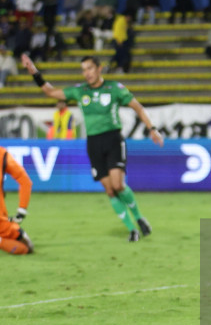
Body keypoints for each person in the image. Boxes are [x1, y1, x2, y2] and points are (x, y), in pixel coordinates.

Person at [21, 54, 163, 241]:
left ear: (99, 68)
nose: (86, 73)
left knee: (118, 185)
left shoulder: (114, 89)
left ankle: (139, 218)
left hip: (113, 139)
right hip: (94, 144)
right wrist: (34, 71)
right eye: (83, 70)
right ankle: (131, 229)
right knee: (109, 190)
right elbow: (50, 92)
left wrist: (152, 129)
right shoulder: (80, 91)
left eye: (89, 68)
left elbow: (138, 107)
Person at [0, 146, 35, 254]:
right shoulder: (2, 154)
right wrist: (21, 211)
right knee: (26, 247)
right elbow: (25, 181)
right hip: (1, 223)